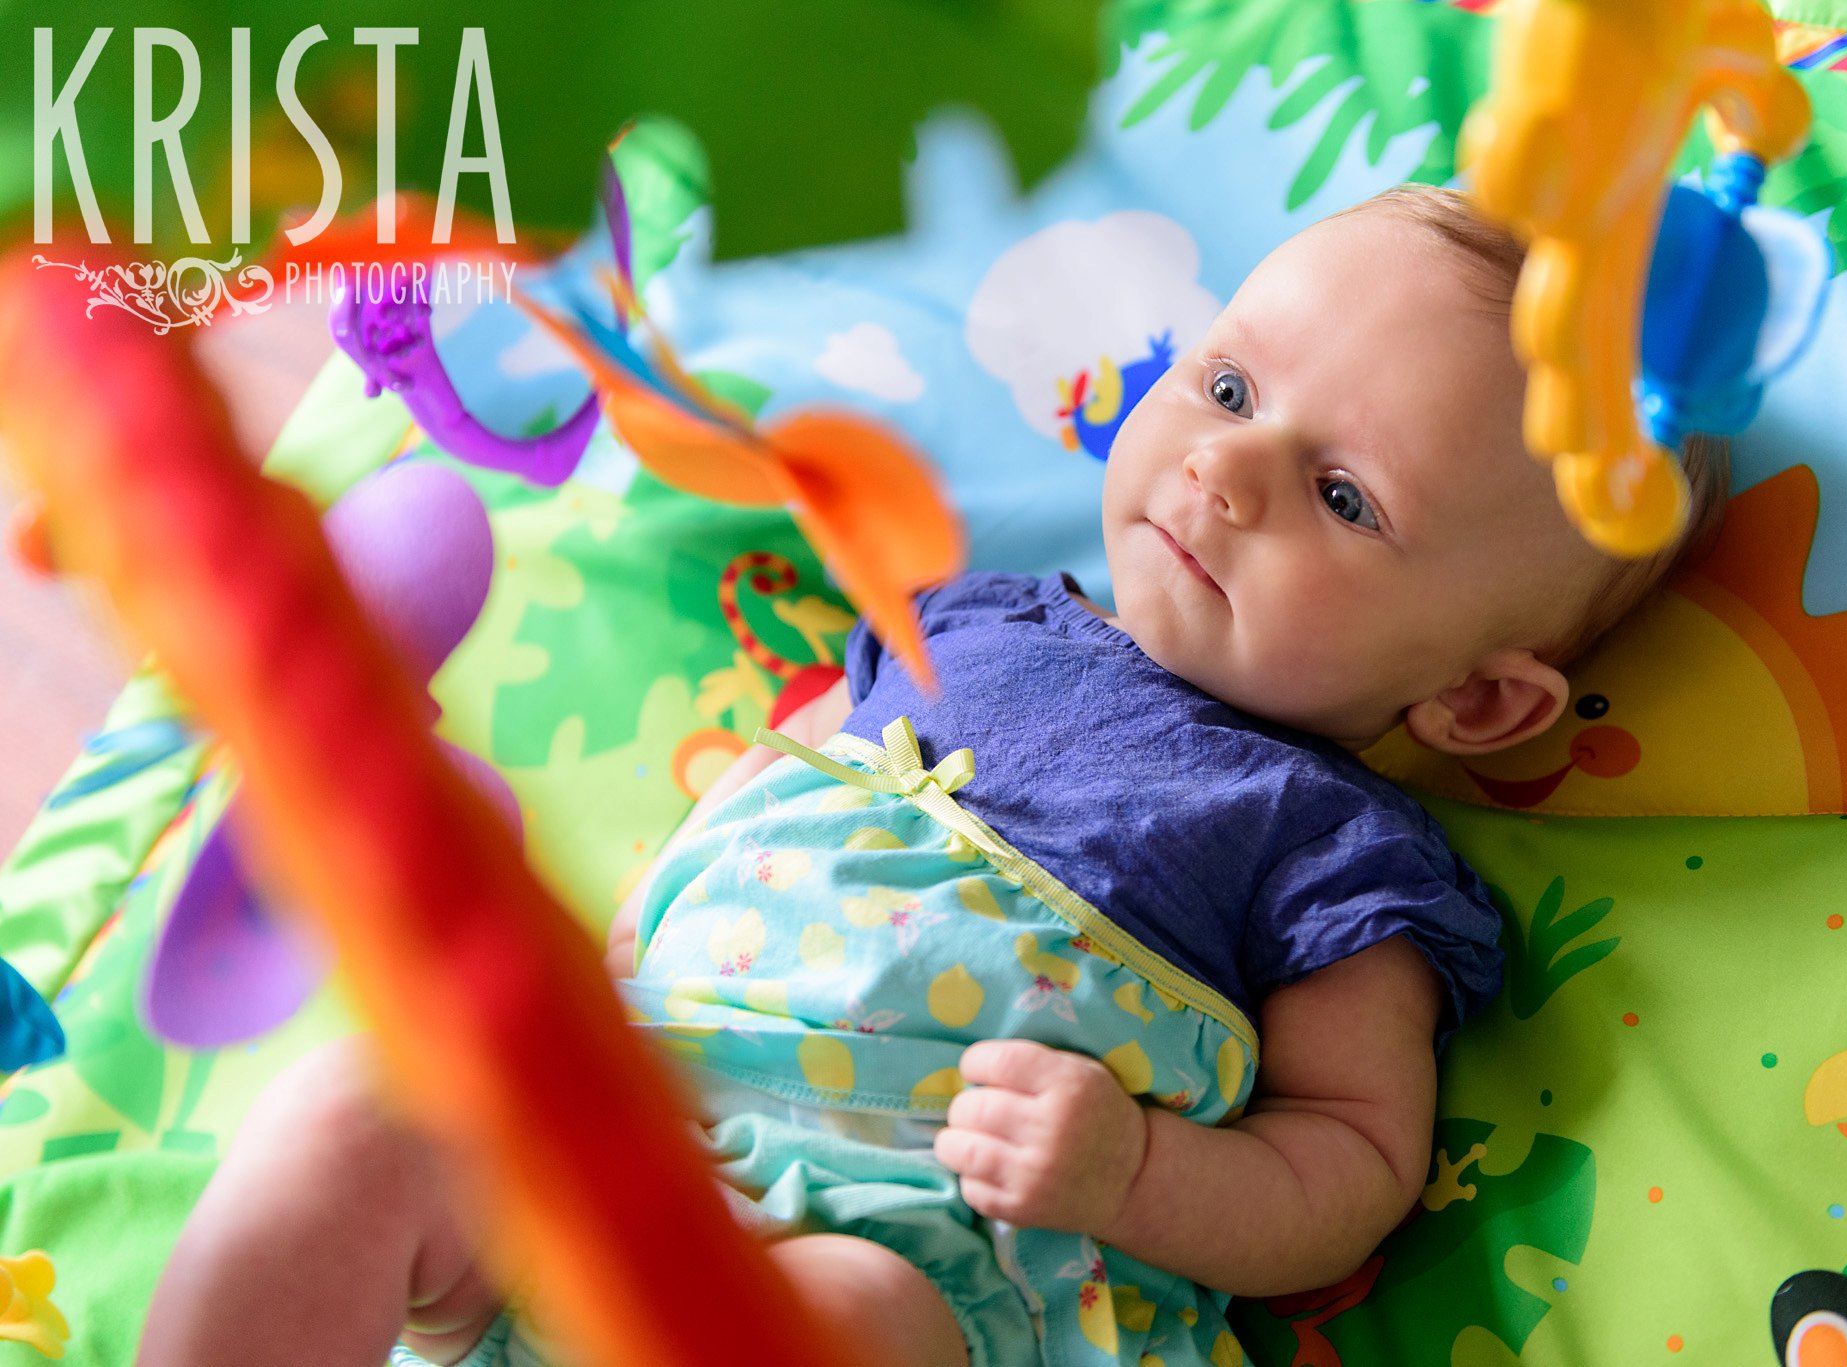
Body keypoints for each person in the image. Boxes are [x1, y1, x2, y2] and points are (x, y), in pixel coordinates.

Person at [139, 184, 1727, 1367]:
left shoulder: (1329, 847)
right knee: (364, 1115)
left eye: (1341, 494)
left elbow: (1355, 1164)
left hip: (910, 1248)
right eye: (1233, 389)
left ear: (1473, 700)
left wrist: (1141, 1171)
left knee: (849, 1323)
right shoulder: (957, 618)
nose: (1223, 469)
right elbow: (765, 812)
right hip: (635, 1123)